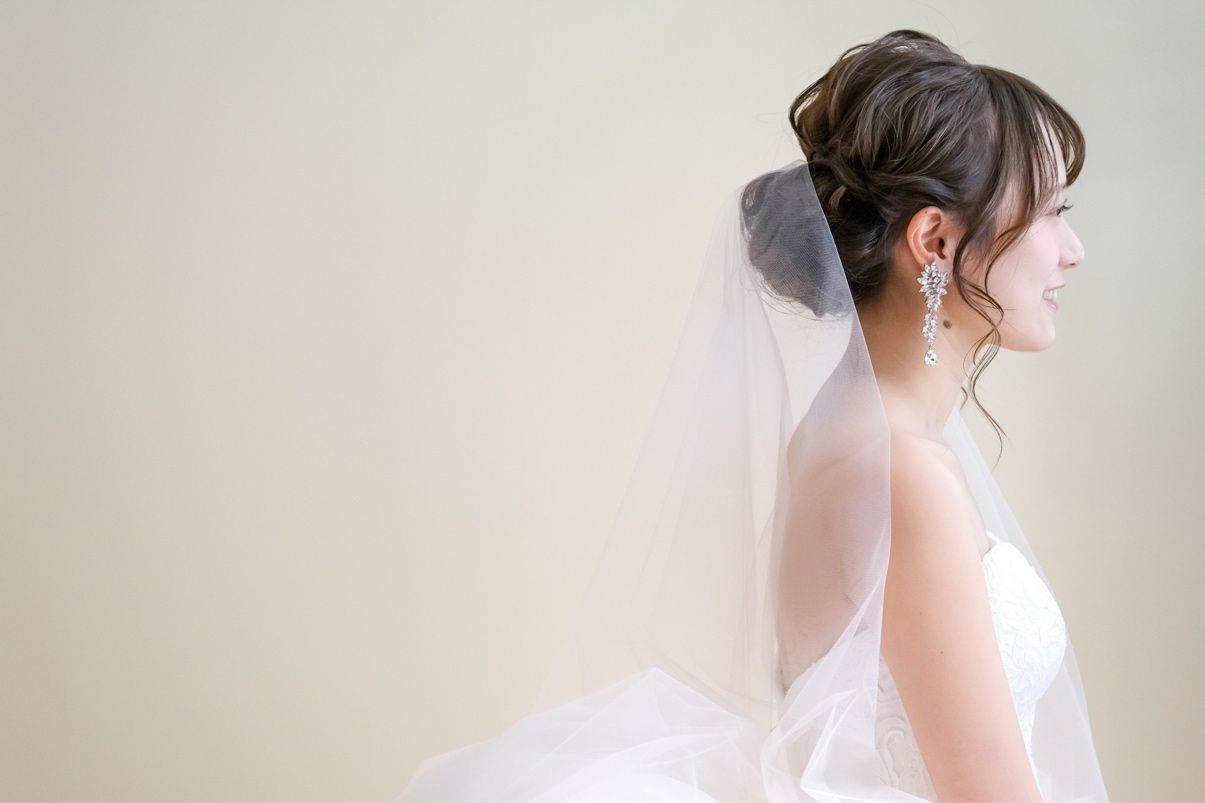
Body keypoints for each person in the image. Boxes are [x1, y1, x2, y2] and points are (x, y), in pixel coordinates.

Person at [398, 29, 1108, 802]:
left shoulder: (842, 430)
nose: (1070, 249)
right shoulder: (904, 472)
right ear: (933, 239)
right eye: (1050, 211)